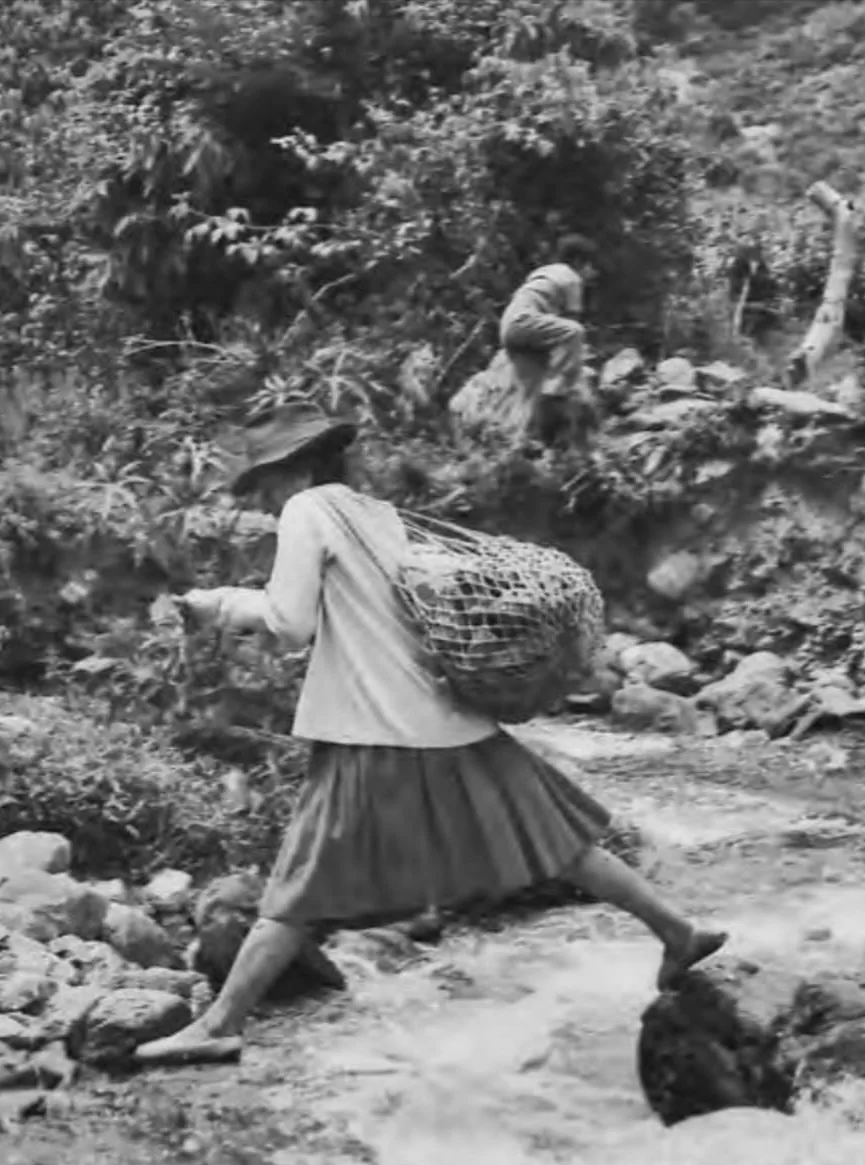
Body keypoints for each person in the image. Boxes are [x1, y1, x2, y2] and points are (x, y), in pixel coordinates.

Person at [134, 402, 726, 1066]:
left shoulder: (309, 512)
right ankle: (678, 929)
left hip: (374, 729)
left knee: (298, 889)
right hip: (445, 718)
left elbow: (291, 624)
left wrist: (219, 606)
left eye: (265, 482)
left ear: (292, 470)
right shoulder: (377, 515)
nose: (266, 499)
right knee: (558, 842)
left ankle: (221, 1024)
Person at [499, 234, 597, 407]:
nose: (592, 271)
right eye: (590, 265)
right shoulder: (571, 278)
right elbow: (571, 321)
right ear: (578, 261)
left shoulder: (545, 272)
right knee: (574, 331)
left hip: (509, 325)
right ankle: (557, 390)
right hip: (526, 320)